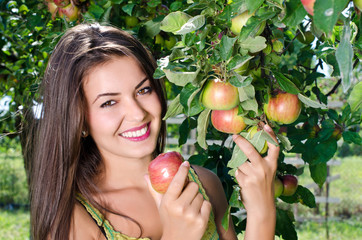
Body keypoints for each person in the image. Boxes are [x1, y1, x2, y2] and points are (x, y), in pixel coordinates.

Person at [25, 23, 279, 240]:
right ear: (79, 120)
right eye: (109, 102)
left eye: (143, 90)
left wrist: (262, 211)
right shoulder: (73, 223)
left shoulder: (204, 185)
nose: (137, 113)